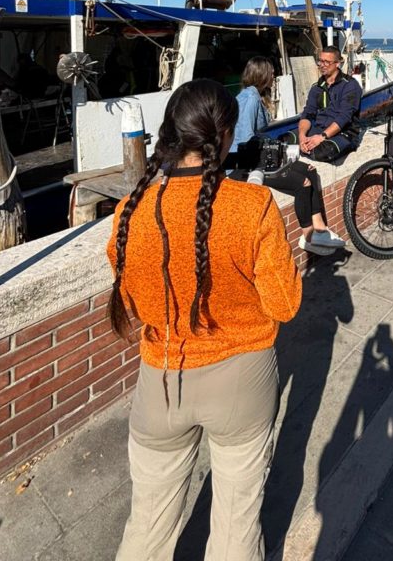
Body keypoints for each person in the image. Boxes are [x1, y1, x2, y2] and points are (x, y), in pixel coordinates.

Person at [107, 78, 302, 561]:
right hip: (242, 380)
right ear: (227, 136)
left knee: (146, 529)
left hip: (162, 379)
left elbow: (134, 303)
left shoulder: (129, 213)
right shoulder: (253, 206)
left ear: (170, 133)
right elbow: (283, 305)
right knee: (237, 527)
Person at [233, 56, 347, 256]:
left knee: (310, 170)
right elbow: (245, 139)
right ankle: (308, 236)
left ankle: (320, 229)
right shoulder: (250, 98)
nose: (274, 76)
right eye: (271, 72)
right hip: (247, 165)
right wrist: (276, 158)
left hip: (259, 155)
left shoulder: (254, 95)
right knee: (302, 182)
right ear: (261, 74)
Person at [296, 45, 362, 162]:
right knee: (286, 139)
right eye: (320, 61)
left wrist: (322, 137)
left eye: (327, 62)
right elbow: (308, 113)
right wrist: (302, 136)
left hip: (343, 133)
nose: (322, 65)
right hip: (319, 129)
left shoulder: (350, 86)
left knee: (324, 151)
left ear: (337, 64)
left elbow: (344, 117)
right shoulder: (316, 87)